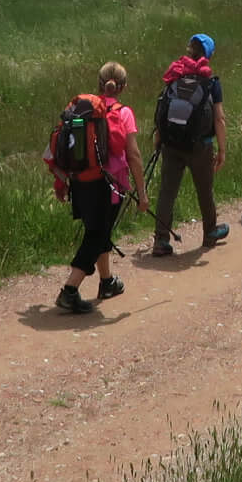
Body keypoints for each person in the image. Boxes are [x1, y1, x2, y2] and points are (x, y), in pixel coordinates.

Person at [48, 62, 143, 314]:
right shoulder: (123, 113)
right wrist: (142, 194)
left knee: (99, 230)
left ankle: (106, 281)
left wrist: (61, 180)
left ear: (99, 83)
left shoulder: (81, 110)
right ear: (123, 87)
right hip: (108, 185)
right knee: (97, 234)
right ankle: (69, 290)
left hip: (79, 181)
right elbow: (133, 155)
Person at [148, 33, 231, 256]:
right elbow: (219, 119)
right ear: (209, 55)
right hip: (200, 146)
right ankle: (210, 232)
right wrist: (222, 150)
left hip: (171, 143)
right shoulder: (211, 82)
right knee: (204, 190)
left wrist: (159, 138)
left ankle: (161, 240)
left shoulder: (175, 75)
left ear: (189, 50)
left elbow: (162, 109)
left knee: (167, 191)